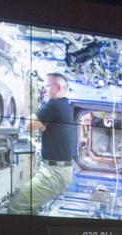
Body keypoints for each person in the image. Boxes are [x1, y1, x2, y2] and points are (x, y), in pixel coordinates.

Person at [8, 72, 75, 215]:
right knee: (31, 208)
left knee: (16, 205)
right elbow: (42, 126)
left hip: (55, 172)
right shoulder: (66, 106)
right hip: (60, 171)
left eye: (47, 86)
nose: (44, 90)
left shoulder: (54, 104)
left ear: (57, 88)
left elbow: (28, 126)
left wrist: (25, 112)